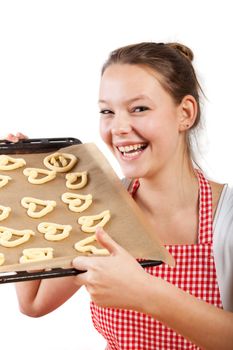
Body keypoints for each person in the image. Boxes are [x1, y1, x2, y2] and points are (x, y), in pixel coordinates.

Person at [9, 42, 233, 350]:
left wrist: (147, 293)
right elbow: (33, 303)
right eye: (107, 111)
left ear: (185, 113)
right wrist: (24, 189)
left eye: (139, 108)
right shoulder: (99, 210)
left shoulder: (228, 219)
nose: (119, 127)